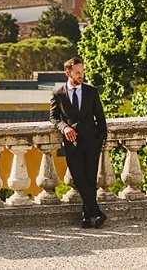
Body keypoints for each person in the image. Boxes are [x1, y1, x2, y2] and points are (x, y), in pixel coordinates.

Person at [49, 56, 108, 228]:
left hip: (92, 142)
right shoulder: (58, 94)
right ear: (68, 73)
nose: (81, 75)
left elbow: (101, 117)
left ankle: (86, 216)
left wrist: (101, 138)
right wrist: (64, 128)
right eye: (77, 73)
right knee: (79, 178)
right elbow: (53, 118)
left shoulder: (91, 91)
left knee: (90, 179)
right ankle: (97, 213)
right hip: (72, 144)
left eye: (82, 72)